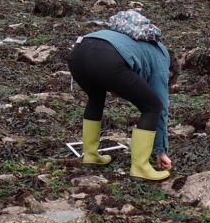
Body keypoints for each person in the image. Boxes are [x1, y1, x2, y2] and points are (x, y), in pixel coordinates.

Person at [67, 27, 177, 180]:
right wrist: (161, 151)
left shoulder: (141, 45)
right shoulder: (161, 58)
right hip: (106, 57)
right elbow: (161, 106)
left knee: (96, 97)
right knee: (152, 107)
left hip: (78, 52)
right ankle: (140, 167)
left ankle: (91, 155)